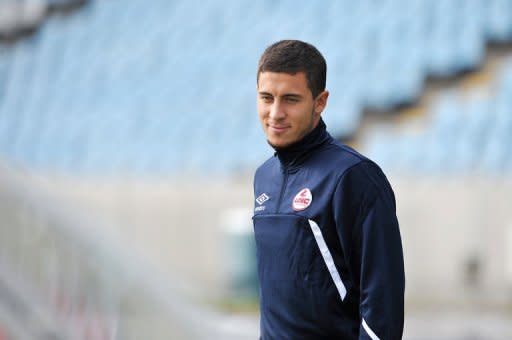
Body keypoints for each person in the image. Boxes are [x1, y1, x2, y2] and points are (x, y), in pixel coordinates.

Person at [252, 39, 405, 340]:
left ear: (320, 102)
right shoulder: (264, 177)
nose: (275, 113)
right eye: (267, 98)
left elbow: (382, 303)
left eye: (291, 99)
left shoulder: (353, 177)